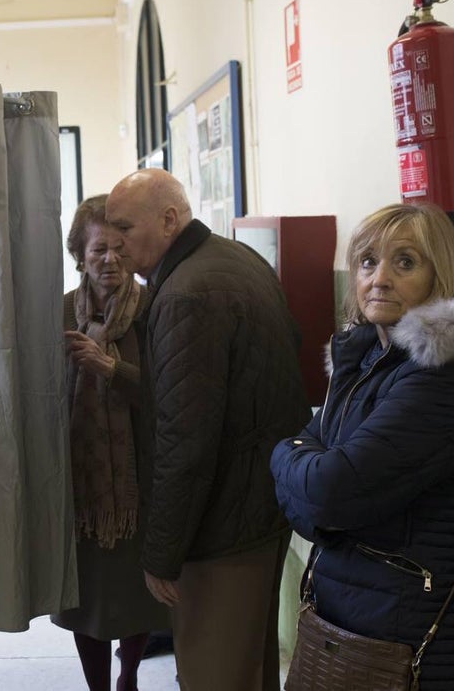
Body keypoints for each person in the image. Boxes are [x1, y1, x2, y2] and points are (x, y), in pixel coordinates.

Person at [269, 203, 454, 690]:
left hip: (415, 636)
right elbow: (322, 477)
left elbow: (330, 491)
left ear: (443, 276)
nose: (380, 278)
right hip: (364, 615)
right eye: (368, 262)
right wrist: (310, 467)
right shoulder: (377, 356)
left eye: (405, 262)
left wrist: (281, 454)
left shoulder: (451, 376)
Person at [105, 168, 310, 691]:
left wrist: (161, 554)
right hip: (261, 511)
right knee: (252, 668)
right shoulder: (236, 258)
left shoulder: (185, 295)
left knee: (213, 675)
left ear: (169, 220)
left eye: (125, 228)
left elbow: (184, 441)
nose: (114, 243)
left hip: (218, 530)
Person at [52, 195, 170, 691]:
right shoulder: (59, 311)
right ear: (80, 254)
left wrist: (110, 368)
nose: (110, 260)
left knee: (135, 594)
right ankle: (99, 684)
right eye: (99, 249)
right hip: (78, 482)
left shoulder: (156, 309)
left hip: (139, 479)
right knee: (87, 600)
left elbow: (171, 397)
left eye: (121, 249)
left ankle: (130, 673)